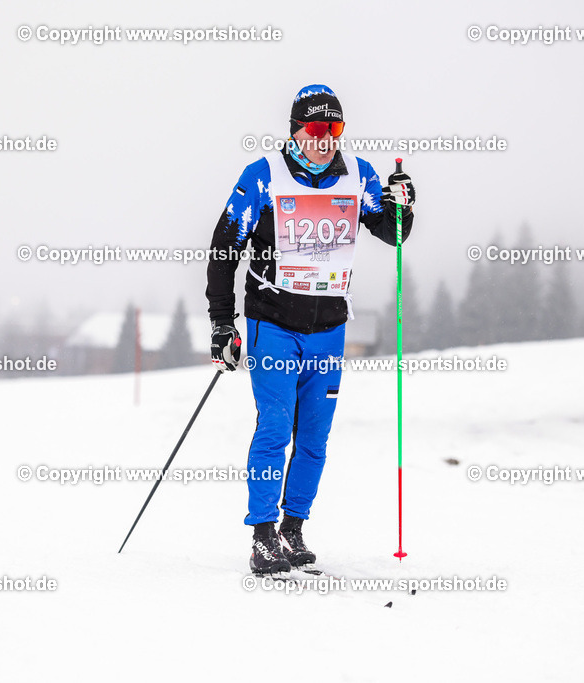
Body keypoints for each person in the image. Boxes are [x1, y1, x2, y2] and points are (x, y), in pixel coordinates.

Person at [205, 84, 416, 574]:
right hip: (272, 322)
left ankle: (292, 531)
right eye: (315, 129)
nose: (324, 140)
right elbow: (223, 249)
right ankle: (262, 536)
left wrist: (404, 202)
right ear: (296, 131)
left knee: (315, 437)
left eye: (334, 129)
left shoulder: (359, 176)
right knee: (275, 426)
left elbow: (393, 232)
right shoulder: (263, 177)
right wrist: (222, 322)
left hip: (329, 328)